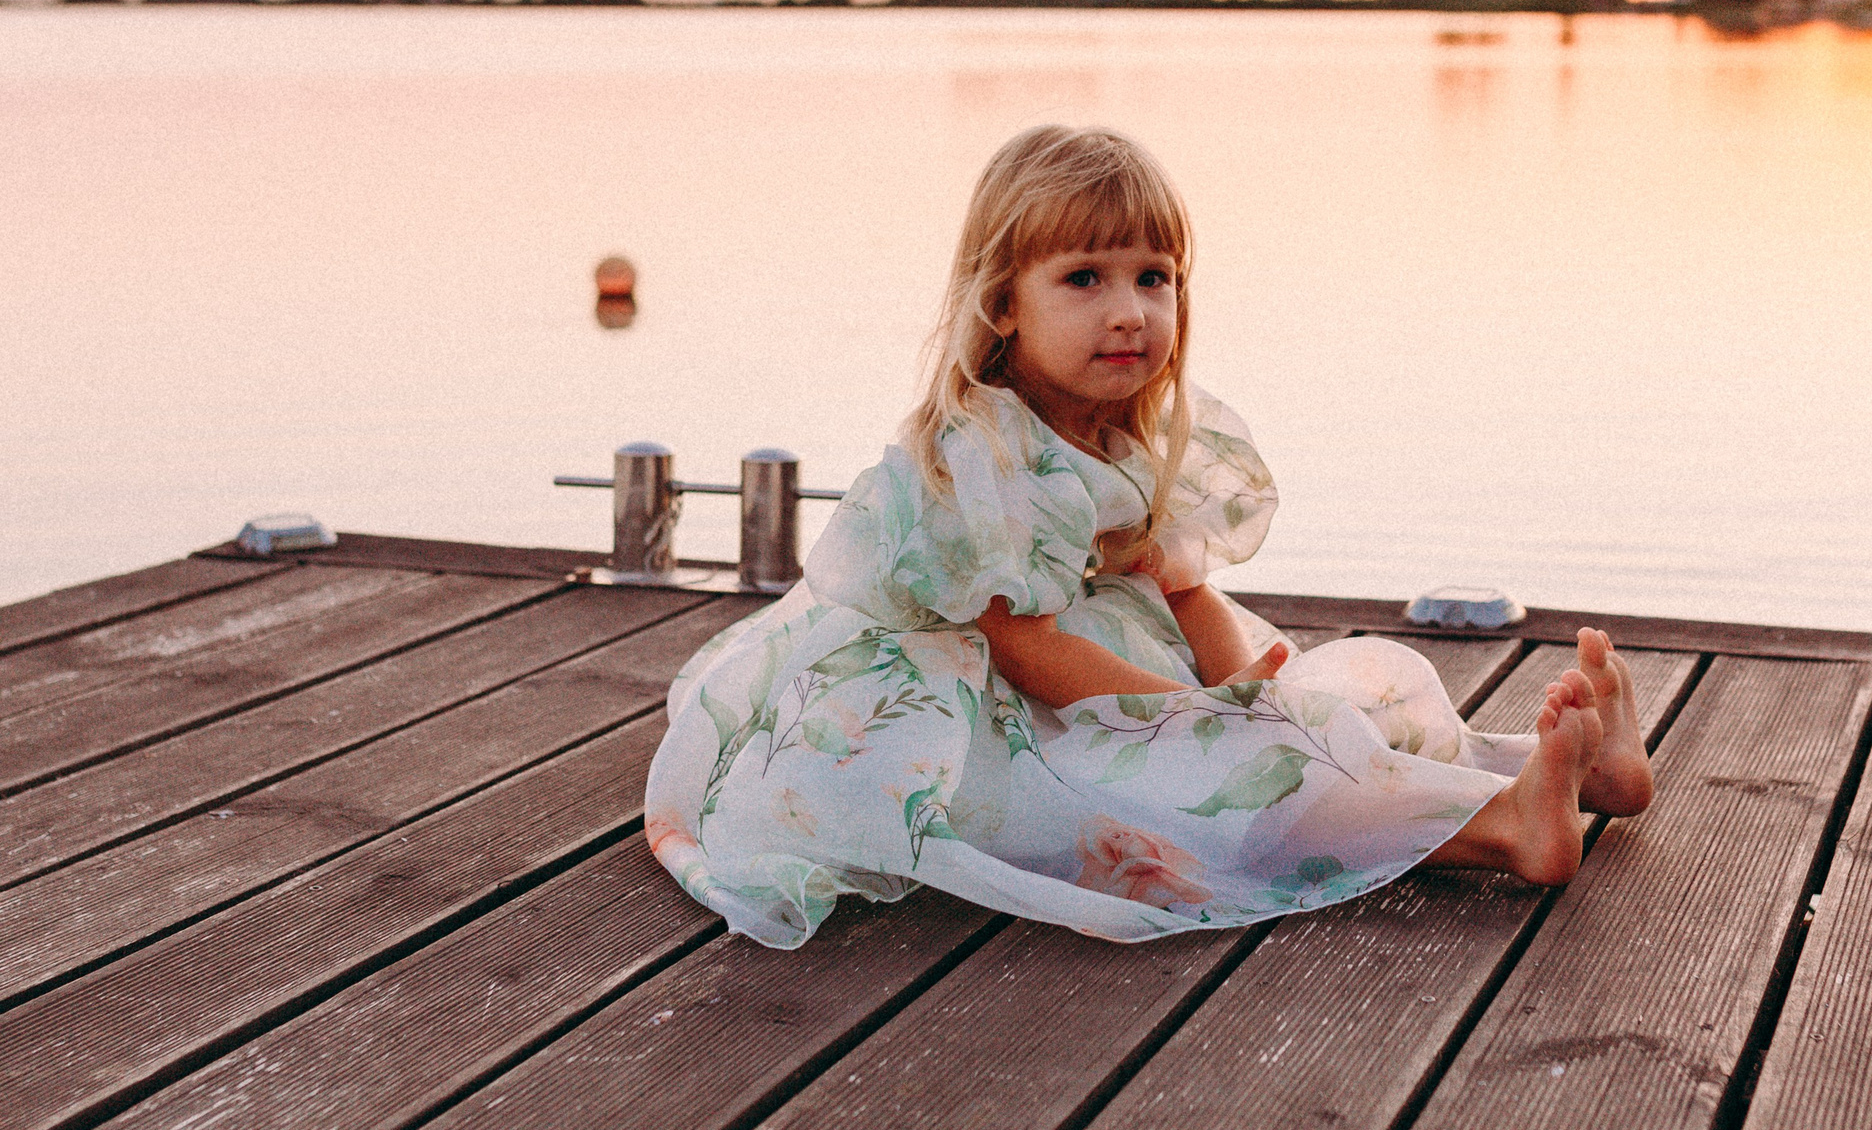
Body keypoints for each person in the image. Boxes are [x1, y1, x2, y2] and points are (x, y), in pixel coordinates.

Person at [642, 125, 1652, 945]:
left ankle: (1543, 766)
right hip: (995, 717)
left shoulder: (1140, 435)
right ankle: (1501, 829)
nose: (1129, 312)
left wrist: (1242, 690)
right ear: (1003, 303)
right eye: (1084, 278)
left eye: (1153, 276)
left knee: (1337, 698)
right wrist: (1193, 720)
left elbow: (1179, 591)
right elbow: (1026, 649)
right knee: (1222, 779)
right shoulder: (975, 454)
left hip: (1125, 671)